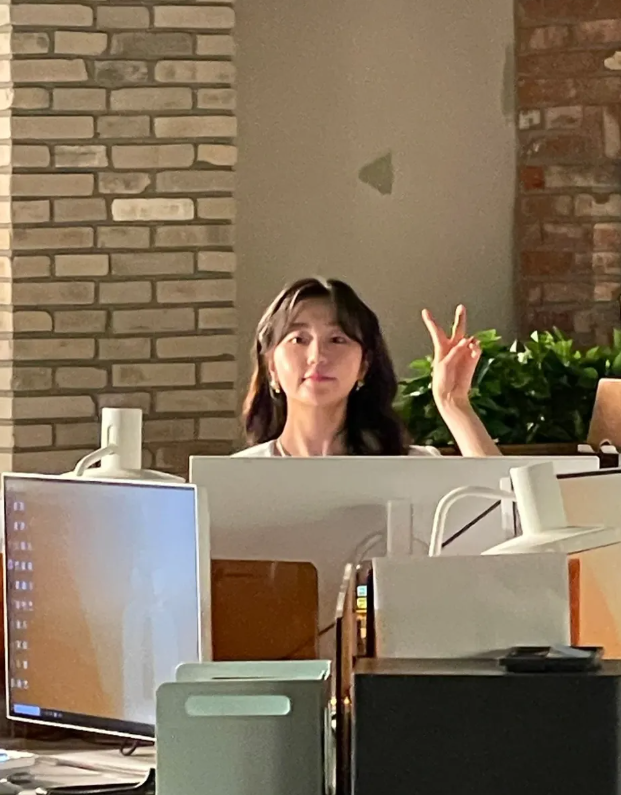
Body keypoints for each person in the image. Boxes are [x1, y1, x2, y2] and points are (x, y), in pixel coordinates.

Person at [237, 277, 499, 458]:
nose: (317, 356)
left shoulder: (412, 466)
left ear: (364, 365)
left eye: (337, 339)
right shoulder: (236, 476)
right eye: (299, 339)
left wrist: (453, 403)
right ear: (271, 366)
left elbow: (506, 511)